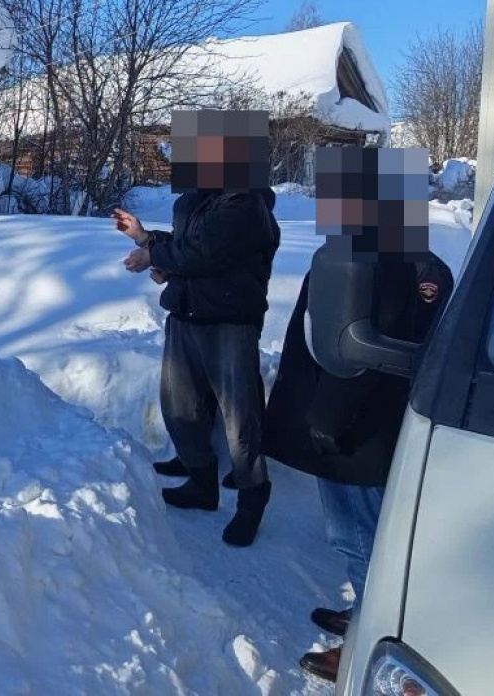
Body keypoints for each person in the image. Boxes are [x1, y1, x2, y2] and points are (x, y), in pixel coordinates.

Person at [262, 146, 453, 683]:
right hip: (365, 424)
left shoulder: (384, 261)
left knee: (360, 538)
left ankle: (370, 637)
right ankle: (367, 610)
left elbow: (365, 352)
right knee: (369, 534)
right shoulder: (403, 257)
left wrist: (327, 419)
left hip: (356, 432)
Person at [113, 109, 281, 547]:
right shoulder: (201, 199)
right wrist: (146, 240)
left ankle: (252, 498)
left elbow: (205, 253)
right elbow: (188, 245)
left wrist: (158, 258)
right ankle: (201, 483)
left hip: (229, 323)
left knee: (240, 421)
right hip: (187, 315)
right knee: (180, 407)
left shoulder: (245, 204)